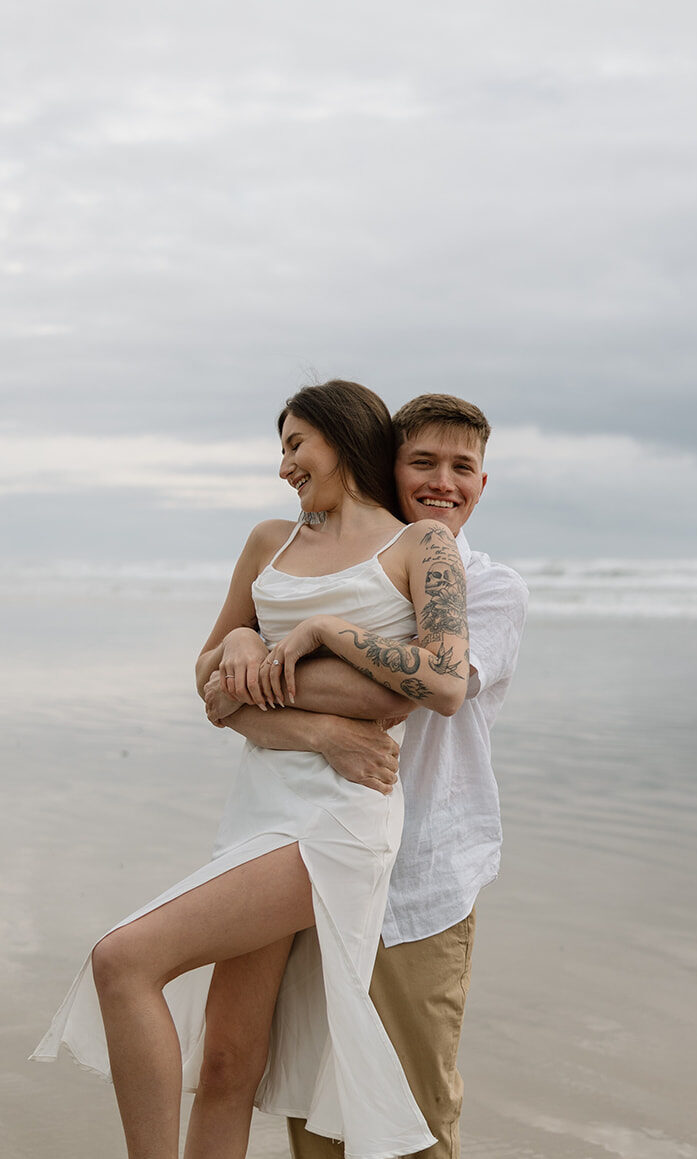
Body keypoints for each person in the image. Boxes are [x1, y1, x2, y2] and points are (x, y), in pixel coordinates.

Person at [31, 380, 472, 1159]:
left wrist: (323, 631)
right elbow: (207, 682)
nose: (284, 466)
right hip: (257, 808)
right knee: (230, 1061)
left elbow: (440, 681)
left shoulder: (419, 545)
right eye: (282, 448)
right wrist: (263, 674)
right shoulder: (271, 540)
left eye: (295, 444)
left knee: (122, 958)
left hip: (338, 818)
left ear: (339, 436)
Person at [204, 394, 527, 1159]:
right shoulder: (337, 562)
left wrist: (313, 638)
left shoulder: (488, 587)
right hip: (316, 858)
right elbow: (225, 685)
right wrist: (247, 642)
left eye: (462, 467)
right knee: (317, 1109)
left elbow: (417, 691)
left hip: (419, 877)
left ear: (483, 483)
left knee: (412, 1115)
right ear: (386, 466)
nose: (442, 481)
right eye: (422, 462)